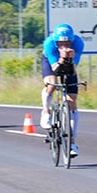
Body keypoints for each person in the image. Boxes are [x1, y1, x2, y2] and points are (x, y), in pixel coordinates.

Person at [39, 23, 86, 157]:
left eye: (67, 44)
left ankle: (72, 143)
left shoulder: (78, 44)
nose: (64, 46)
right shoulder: (49, 44)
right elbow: (55, 69)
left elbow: (72, 68)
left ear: (72, 41)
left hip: (68, 62)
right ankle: (46, 111)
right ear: (56, 42)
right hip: (51, 62)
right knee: (52, 84)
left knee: (72, 100)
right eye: (60, 44)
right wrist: (61, 58)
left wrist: (68, 58)